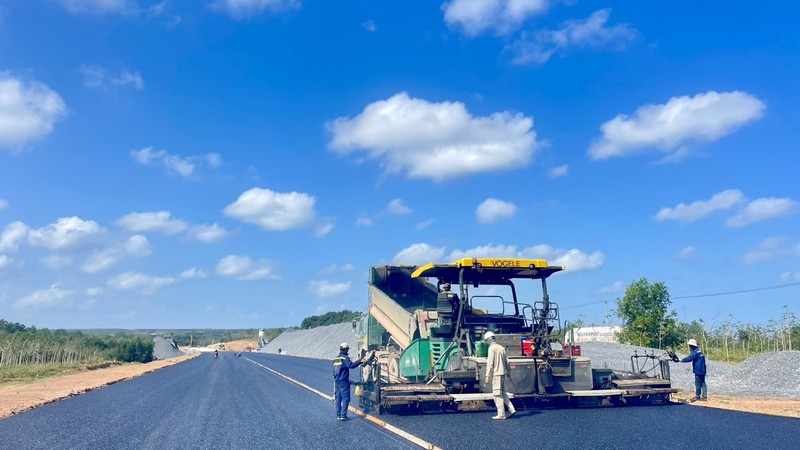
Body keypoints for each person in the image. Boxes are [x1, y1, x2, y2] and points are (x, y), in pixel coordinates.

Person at [484, 331, 516, 419]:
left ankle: (501, 414)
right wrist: (509, 373)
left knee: (497, 394)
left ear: (489, 339)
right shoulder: (501, 348)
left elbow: (490, 363)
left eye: (487, 340)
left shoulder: (491, 348)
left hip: (497, 374)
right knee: (502, 392)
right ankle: (512, 409)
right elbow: (507, 362)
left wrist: (487, 376)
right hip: (503, 374)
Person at [333, 342, 364, 421]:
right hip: (344, 382)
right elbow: (351, 365)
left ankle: (338, 415)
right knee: (346, 399)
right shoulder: (345, 358)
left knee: (338, 399)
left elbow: (335, 371)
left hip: (337, 381)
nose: (348, 351)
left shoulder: (336, 359)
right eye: (347, 349)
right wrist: (360, 361)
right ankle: (343, 415)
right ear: (345, 349)